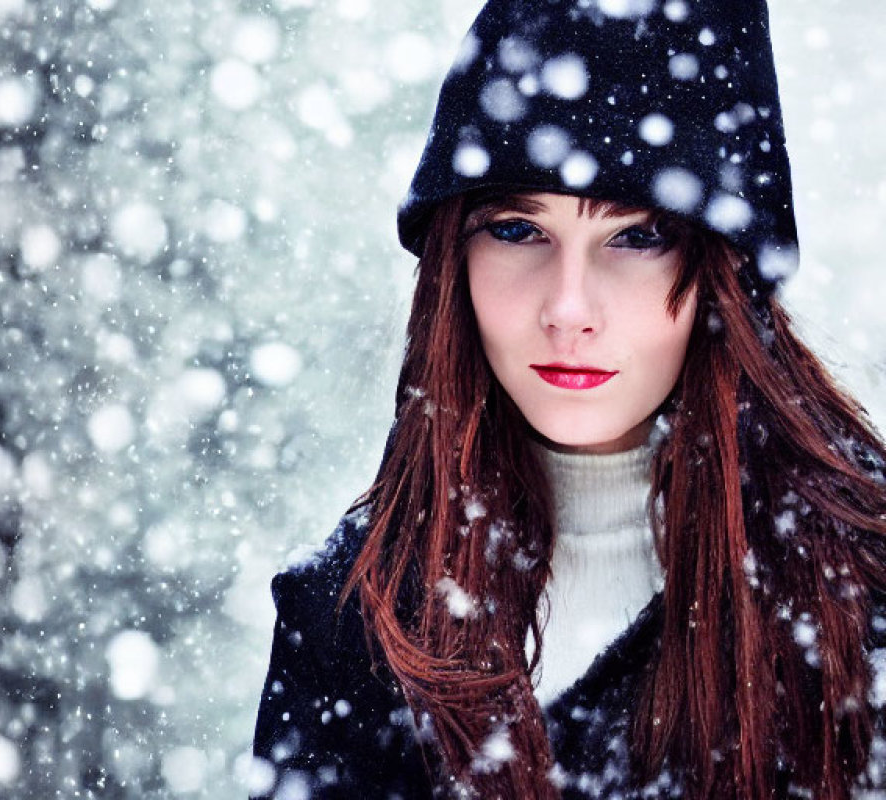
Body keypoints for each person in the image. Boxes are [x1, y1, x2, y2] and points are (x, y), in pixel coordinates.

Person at [252, 0, 886, 798]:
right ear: (454, 261)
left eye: (638, 236)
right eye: (518, 230)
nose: (569, 308)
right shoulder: (349, 619)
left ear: (726, 276)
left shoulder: (860, 591)